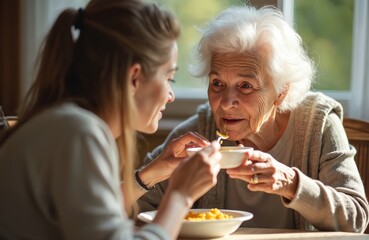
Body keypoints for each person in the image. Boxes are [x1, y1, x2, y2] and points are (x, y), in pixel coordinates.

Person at [0, 0, 222, 239]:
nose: (170, 96)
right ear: (134, 77)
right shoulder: (79, 132)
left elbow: (88, 219)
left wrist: (154, 172)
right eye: (169, 78)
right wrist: (180, 195)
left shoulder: (63, 122)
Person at [137, 4, 369, 233]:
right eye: (217, 83)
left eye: (246, 86)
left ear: (281, 92)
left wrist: (291, 183)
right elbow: (130, 212)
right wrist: (151, 174)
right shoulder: (198, 134)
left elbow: (356, 218)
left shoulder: (318, 125)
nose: (226, 103)